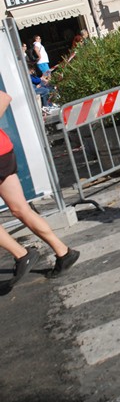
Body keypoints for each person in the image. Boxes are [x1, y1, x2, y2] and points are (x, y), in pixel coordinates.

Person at [0, 90, 80, 287]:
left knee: (20, 209)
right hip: (2, 151)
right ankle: (63, 252)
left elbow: (4, 98)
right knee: (20, 209)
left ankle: (22, 255)